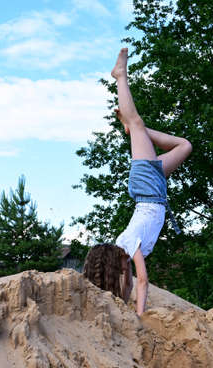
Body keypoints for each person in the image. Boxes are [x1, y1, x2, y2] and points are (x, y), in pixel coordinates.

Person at [83, 48, 192, 316]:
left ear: (115, 262)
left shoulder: (129, 242)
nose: (127, 273)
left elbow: (143, 281)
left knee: (137, 121)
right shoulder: (128, 252)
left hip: (147, 190)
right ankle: (135, 132)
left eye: (122, 271)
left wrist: (139, 317)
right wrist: (126, 303)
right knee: (184, 146)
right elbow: (132, 284)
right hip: (155, 191)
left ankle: (120, 77)